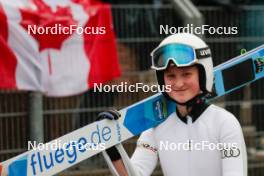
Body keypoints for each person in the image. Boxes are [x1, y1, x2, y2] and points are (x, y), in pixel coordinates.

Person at [98, 33, 247, 176]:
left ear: (203, 74)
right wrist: (112, 147)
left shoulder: (224, 123)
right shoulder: (155, 126)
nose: (179, 83)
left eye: (186, 74)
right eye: (171, 76)